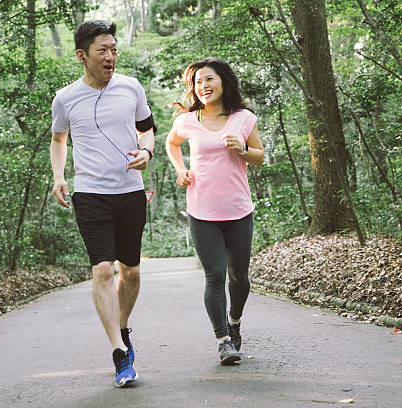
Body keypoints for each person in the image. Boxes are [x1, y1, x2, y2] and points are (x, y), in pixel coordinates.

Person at [50, 20, 156, 387]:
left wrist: (147, 151)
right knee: (103, 271)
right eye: (102, 50)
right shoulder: (65, 98)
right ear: (82, 56)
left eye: (114, 49)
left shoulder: (131, 87)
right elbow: (59, 139)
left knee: (131, 272)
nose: (110, 56)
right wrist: (59, 175)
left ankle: (123, 330)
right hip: (90, 194)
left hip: (130, 192)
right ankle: (119, 353)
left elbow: (148, 128)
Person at [165, 58, 264, 364]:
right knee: (215, 276)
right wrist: (181, 169)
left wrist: (243, 150)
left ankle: (234, 321)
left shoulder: (243, 118)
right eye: (197, 82)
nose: (203, 86)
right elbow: (172, 144)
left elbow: (260, 157)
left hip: (238, 210)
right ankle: (223, 341)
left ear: (223, 82)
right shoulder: (188, 120)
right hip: (202, 211)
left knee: (239, 278)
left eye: (209, 79)